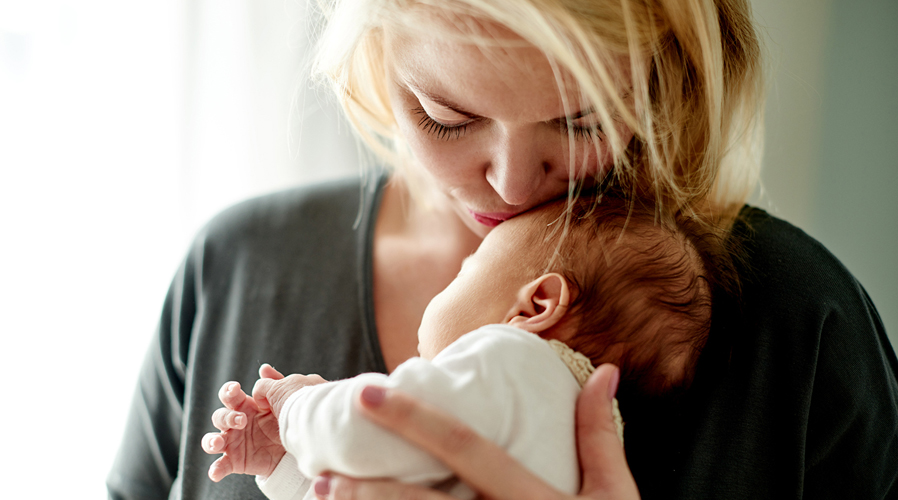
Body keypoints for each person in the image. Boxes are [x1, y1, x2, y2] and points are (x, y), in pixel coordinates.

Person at [107, 0, 898, 499]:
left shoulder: (801, 324)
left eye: (581, 121)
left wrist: (294, 410)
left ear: (665, 78)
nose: (512, 184)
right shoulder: (236, 265)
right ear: (377, 63)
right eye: (446, 116)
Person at [199, 195, 726, 499]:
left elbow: (364, 432)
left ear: (536, 306)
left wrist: (295, 405)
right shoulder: (582, 443)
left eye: (468, 269)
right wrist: (280, 467)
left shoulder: (515, 361)